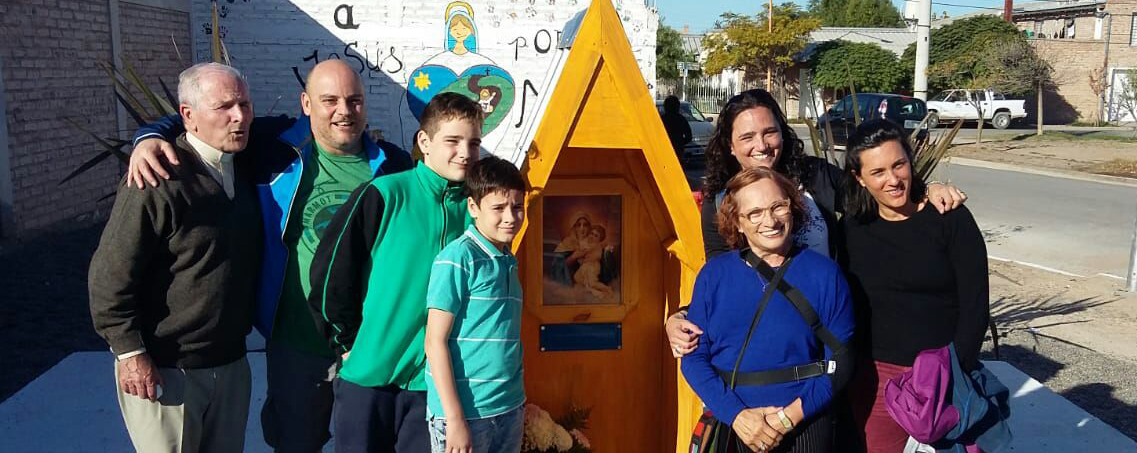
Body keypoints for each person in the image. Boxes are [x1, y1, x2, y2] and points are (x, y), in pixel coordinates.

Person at [124, 59, 414, 453]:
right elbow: (201, 118)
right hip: (297, 341)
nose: (344, 111)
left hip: (373, 341)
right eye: (329, 100)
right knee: (296, 442)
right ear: (306, 104)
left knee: (370, 444)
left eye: (354, 100)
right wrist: (148, 137)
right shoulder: (273, 147)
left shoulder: (394, 166)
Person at [667, 88, 966, 357]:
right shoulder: (720, 200)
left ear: (782, 133)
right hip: (766, 342)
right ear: (730, 146)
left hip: (830, 330)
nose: (761, 145)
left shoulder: (815, 177)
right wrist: (680, 316)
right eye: (747, 137)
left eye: (770, 132)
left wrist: (926, 189)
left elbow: (872, 196)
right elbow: (718, 275)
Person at [88, 62, 259, 453]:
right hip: (166, 372)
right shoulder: (156, 178)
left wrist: (148, 132)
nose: (240, 117)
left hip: (231, 363)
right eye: (225, 107)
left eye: (246, 105)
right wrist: (130, 352)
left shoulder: (244, 163)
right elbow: (109, 275)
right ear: (188, 116)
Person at [307, 92, 483, 452]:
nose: (465, 152)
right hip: (368, 380)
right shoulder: (385, 194)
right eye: (452, 140)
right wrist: (346, 344)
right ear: (424, 141)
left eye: (474, 142)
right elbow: (331, 274)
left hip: (433, 388)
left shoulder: (477, 212)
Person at [839, 120, 989, 453]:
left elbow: (976, 306)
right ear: (859, 179)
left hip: (942, 373)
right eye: (877, 172)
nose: (893, 180)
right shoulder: (852, 229)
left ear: (911, 161)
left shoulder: (950, 219)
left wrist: (954, 372)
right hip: (876, 380)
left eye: (899, 165)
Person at [681, 167, 854, 453]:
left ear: (792, 207)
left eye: (778, 206)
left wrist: (789, 418)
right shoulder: (714, 276)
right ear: (737, 222)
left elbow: (842, 358)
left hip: (805, 423)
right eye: (755, 213)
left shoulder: (824, 274)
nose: (770, 220)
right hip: (733, 424)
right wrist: (736, 416)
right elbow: (694, 358)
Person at [424, 155, 527, 453]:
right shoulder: (457, 258)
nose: (510, 217)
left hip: (509, 407)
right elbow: (434, 342)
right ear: (473, 207)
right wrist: (454, 419)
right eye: (498, 208)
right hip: (466, 414)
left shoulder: (508, 259)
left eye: (517, 207)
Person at [660, 95, 692, 160]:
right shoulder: (681, 119)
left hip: (663, 150)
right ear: (677, 106)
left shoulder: (661, 119)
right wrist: (679, 142)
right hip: (677, 150)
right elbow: (688, 136)